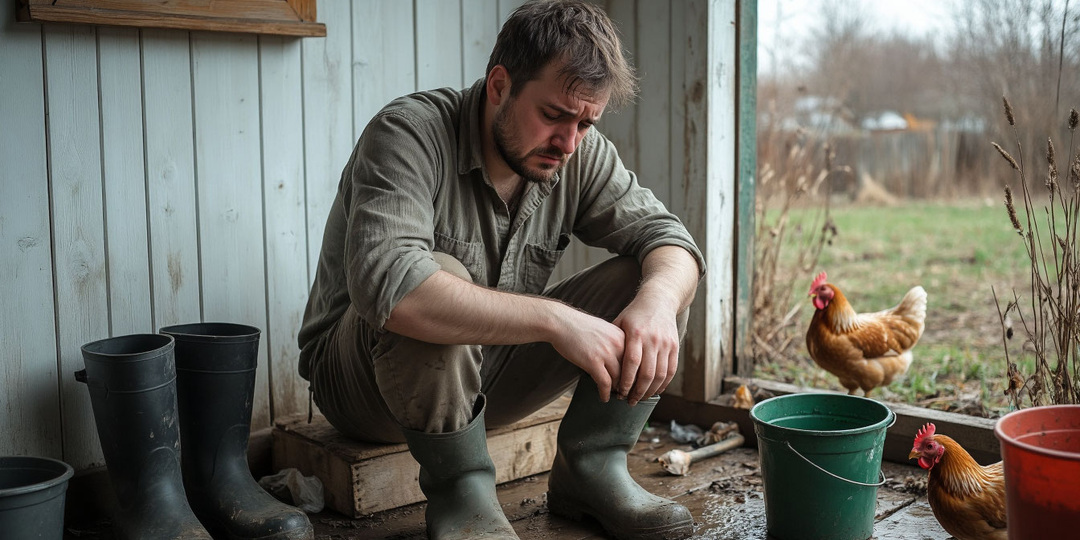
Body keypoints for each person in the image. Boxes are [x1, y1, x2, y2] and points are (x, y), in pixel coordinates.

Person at [298, 1, 705, 538]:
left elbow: (673, 241)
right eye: (554, 115)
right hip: (363, 384)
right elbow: (393, 288)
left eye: (586, 122)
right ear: (499, 85)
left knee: (651, 279)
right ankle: (463, 495)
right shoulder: (408, 134)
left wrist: (654, 305)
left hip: (487, 376)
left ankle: (592, 468)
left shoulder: (577, 152)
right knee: (433, 280)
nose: (568, 142)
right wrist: (559, 321)